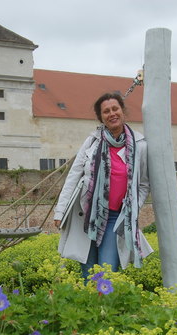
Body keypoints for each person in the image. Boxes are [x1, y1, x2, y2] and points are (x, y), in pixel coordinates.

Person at [53, 92, 152, 279]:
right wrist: (60, 211)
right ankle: (89, 307)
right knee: (88, 273)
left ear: (123, 111)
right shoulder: (93, 141)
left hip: (115, 217)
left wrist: (133, 209)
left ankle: (104, 307)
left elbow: (144, 184)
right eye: (106, 111)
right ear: (101, 117)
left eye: (115, 109)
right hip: (86, 215)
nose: (112, 113)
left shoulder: (140, 145)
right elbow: (74, 175)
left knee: (107, 272)